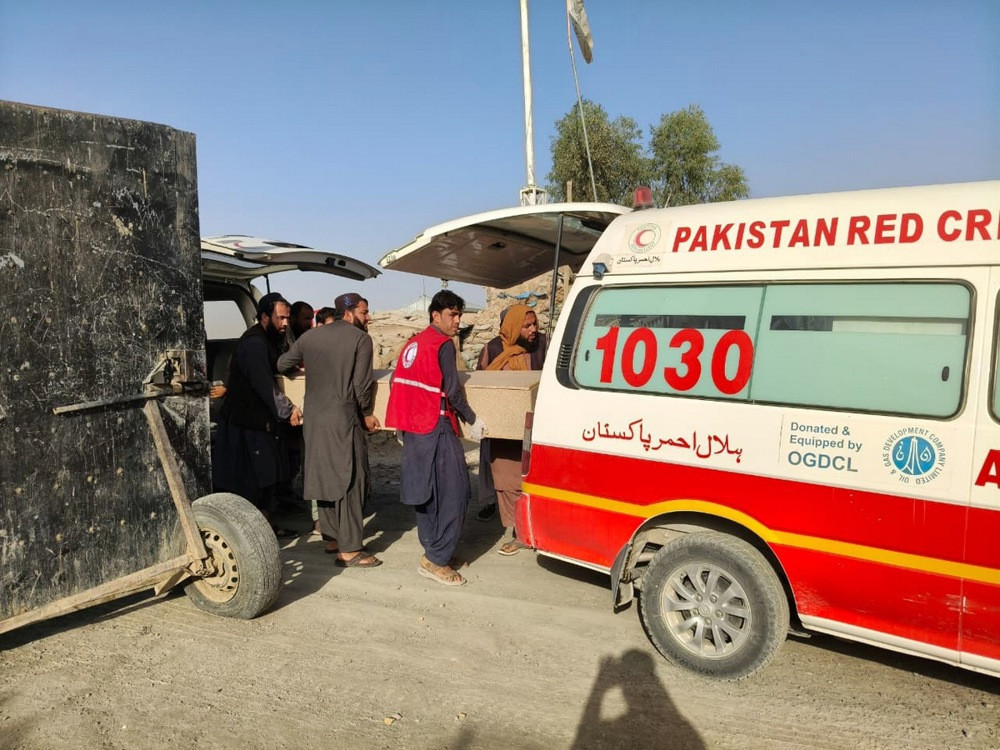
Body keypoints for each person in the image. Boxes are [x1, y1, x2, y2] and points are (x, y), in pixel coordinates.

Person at [385, 290, 486, 586]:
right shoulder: (443, 345)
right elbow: (453, 391)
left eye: (459, 315)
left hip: (415, 428)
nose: (458, 321)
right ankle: (436, 559)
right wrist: (473, 419)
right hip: (436, 425)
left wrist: (404, 421)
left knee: (427, 491)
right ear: (436, 315)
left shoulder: (412, 344)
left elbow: (396, 382)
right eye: (452, 315)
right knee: (456, 492)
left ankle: (434, 548)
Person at [277, 292, 382, 568]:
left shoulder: (311, 337)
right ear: (348, 313)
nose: (368, 317)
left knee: (323, 477)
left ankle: (332, 539)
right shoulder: (361, 339)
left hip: (314, 419)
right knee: (351, 479)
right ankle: (349, 550)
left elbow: (282, 365)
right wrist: (368, 414)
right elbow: (361, 386)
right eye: (364, 312)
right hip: (343, 419)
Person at [212, 292, 303, 536]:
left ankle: (265, 528)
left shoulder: (266, 340)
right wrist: (288, 410)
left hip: (258, 422)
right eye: (280, 318)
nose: (285, 323)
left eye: (287, 318)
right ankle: (256, 534)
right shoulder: (254, 343)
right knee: (252, 480)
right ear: (264, 316)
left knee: (265, 479)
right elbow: (265, 385)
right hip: (246, 424)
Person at [478, 305, 544, 555]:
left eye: (534, 324)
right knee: (507, 481)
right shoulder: (494, 348)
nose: (533, 330)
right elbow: (483, 383)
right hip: (503, 429)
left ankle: (532, 529)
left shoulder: (540, 346)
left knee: (532, 480)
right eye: (527, 325)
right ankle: (518, 531)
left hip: (532, 427)